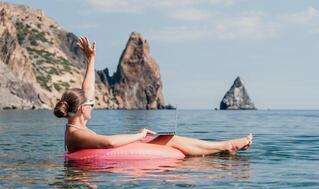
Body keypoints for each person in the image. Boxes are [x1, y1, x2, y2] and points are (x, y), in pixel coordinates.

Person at [54, 36, 253, 156]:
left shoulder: (76, 124)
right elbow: (109, 143)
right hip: (103, 164)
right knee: (171, 141)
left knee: (171, 138)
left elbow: (87, 90)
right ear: (81, 108)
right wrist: (140, 134)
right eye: (91, 104)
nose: (93, 105)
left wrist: (91, 59)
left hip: (111, 155)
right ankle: (225, 146)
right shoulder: (76, 133)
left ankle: (224, 147)